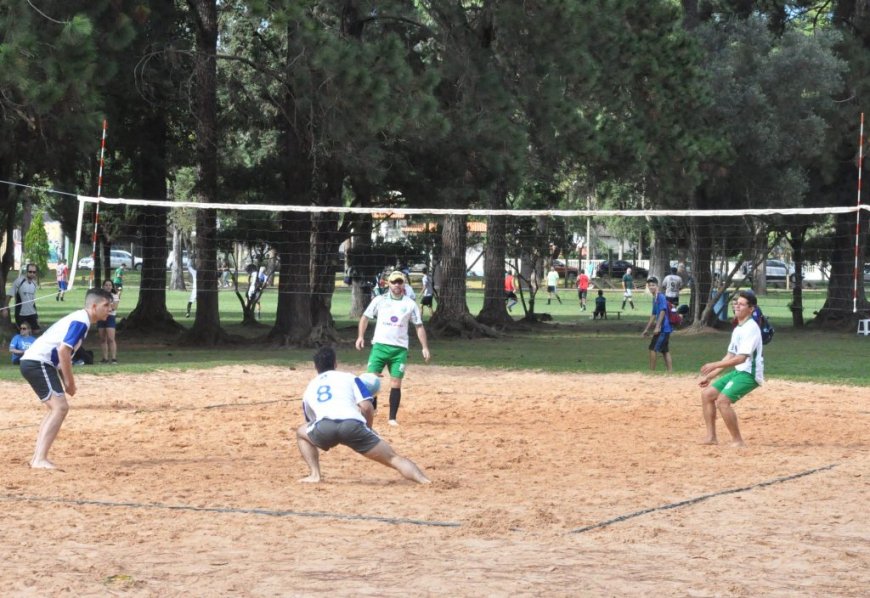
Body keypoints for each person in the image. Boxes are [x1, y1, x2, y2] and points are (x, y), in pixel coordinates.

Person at [295, 347, 430, 484]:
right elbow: (367, 407)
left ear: (315, 367)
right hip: (352, 426)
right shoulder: (350, 377)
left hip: (324, 428)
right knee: (393, 458)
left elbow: (311, 421)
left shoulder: (310, 387)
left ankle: (315, 474)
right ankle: (424, 481)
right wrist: (368, 428)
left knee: (301, 432)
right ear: (335, 363)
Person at [19, 287, 114, 469]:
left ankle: (37, 457)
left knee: (56, 408)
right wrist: (70, 382)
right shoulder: (81, 321)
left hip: (37, 363)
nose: (109, 309)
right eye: (106, 305)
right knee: (60, 408)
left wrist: (67, 381)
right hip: (37, 362)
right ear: (94, 306)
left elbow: (63, 356)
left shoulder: (81, 319)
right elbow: (63, 350)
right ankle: (39, 459)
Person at [356, 270, 431, 426]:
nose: (397, 285)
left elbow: (419, 326)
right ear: (388, 283)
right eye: (394, 282)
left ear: (404, 284)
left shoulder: (410, 304)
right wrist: (361, 336)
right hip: (380, 346)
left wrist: (424, 347)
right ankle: (372, 410)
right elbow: (364, 317)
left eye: (400, 282)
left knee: (396, 382)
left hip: (399, 349)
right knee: (371, 380)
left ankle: (392, 418)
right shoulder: (379, 300)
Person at [698, 290, 764, 447]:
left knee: (722, 401)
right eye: (736, 303)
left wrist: (714, 364)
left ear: (751, 309)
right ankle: (711, 437)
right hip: (740, 371)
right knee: (707, 395)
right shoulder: (738, 329)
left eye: (741, 304)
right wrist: (710, 376)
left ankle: (737, 440)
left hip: (749, 373)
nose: (737, 306)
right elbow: (730, 356)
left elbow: (742, 358)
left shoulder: (751, 328)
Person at [641, 276, 673, 372]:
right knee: (665, 351)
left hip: (663, 329)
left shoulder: (660, 297)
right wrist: (646, 329)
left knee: (652, 349)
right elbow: (653, 315)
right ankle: (671, 372)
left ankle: (652, 372)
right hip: (664, 329)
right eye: (649, 285)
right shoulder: (654, 298)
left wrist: (657, 327)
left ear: (657, 286)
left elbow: (663, 311)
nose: (651, 287)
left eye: (653, 285)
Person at [10, 264, 40, 332]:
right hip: (21, 313)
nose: (32, 273)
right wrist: (5, 309)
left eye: (34, 272)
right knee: (23, 332)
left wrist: (36, 315)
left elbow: (32, 301)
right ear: (26, 272)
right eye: (30, 271)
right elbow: (9, 294)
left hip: (32, 313)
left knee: (36, 331)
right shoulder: (19, 281)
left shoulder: (34, 283)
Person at [98, 279, 120, 364]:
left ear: (112, 286)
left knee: (111, 338)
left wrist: (105, 306)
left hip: (110, 317)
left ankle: (114, 358)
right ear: (103, 286)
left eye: (110, 285)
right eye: (106, 285)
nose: (108, 287)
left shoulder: (115, 296)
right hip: (101, 317)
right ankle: (105, 358)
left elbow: (114, 307)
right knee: (103, 339)